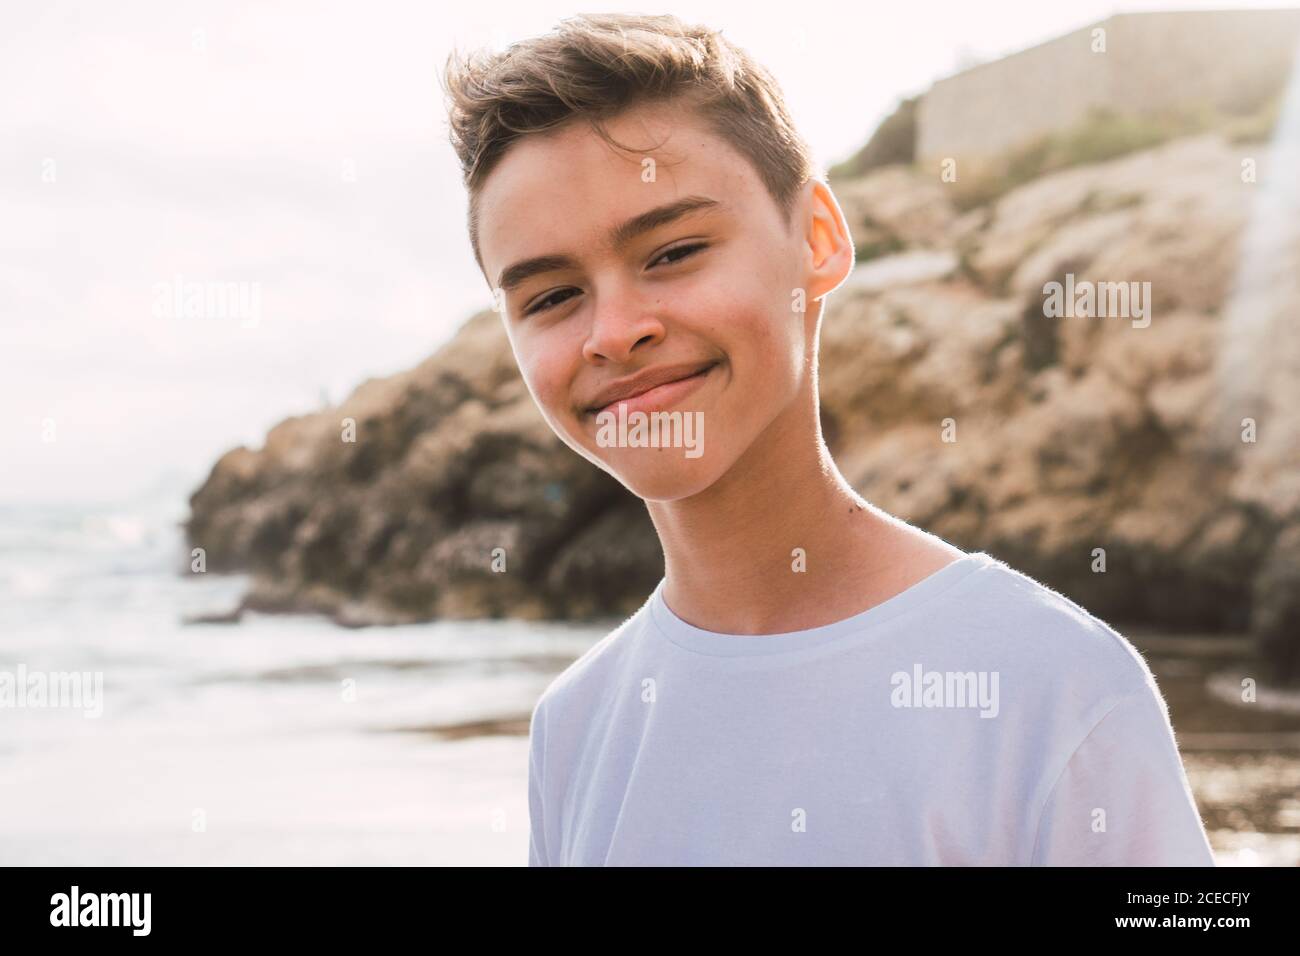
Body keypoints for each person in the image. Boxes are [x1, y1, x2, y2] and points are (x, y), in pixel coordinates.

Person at [440, 12, 1217, 866]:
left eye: (674, 251)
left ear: (817, 239)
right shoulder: (575, 727)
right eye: (551, 297)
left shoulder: (1058, 691)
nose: (615, 332)